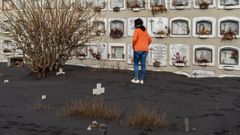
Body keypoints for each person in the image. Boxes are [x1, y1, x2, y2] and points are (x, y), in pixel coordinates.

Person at [131, 18, 152, 84]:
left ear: (136, 24)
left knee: (136, 64)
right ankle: (141, 80)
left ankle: (136, 79)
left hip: (137, 49)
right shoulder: (145, 31)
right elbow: (150, 39)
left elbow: (134, 40)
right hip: (145, 50)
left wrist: (133, 46)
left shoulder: (136, 30)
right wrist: (146, 45)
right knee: (143, 64)